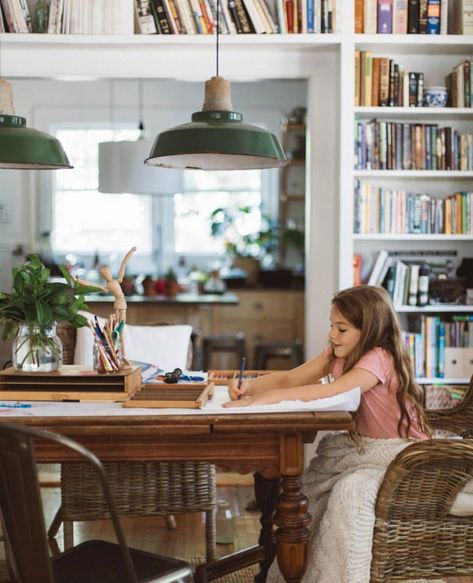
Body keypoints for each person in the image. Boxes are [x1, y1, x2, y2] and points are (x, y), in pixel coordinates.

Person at [225, 285, 431, 583]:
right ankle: (296, 567)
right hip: (365, 449)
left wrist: (265, 401)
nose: (333, 335)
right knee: (306, 490)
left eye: (342, 329)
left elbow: (332, 391)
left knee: (349, 495)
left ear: (369, 330)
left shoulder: (377, 358)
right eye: (332, 326)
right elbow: (290, 377)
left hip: (399, 454)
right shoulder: (337, 352)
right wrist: (250, 388)